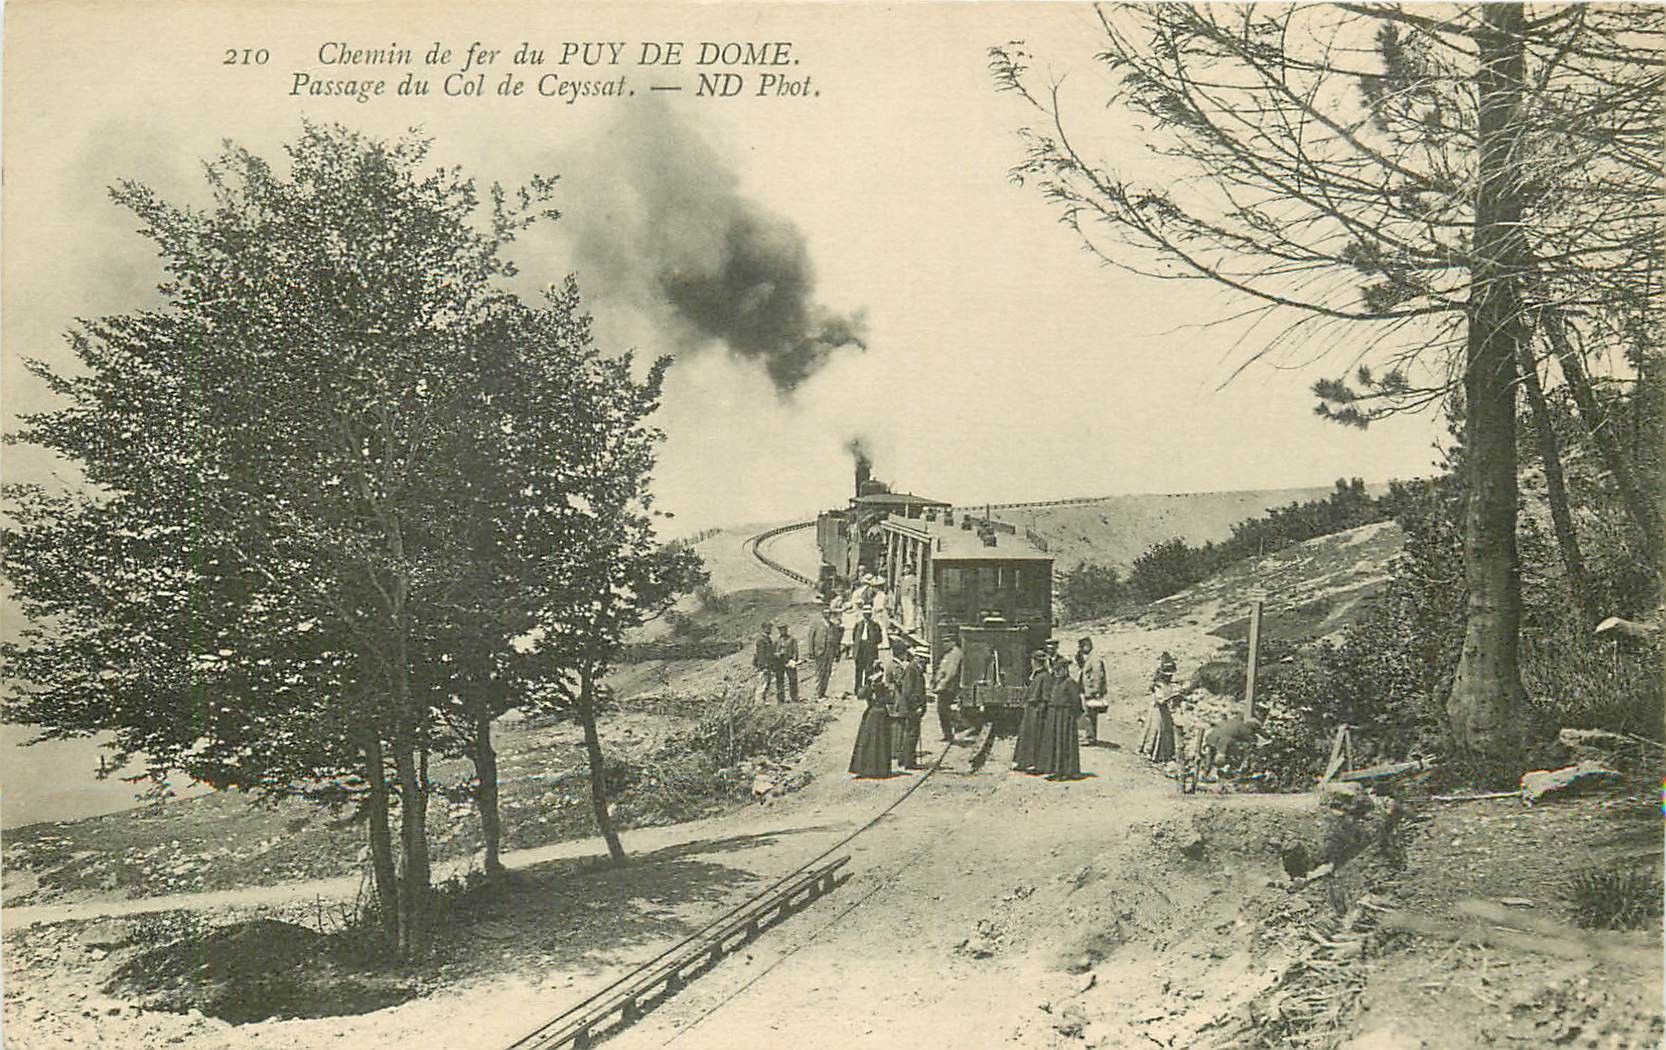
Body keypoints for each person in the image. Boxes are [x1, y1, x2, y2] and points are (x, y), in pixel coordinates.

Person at [1040, 654, 1084, 780]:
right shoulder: (1055, 682)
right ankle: (1055, 769)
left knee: (1064, 742)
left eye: (1061, 670)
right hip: (1054, 716)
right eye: (1057, 670)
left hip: (1065, 717)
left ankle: (1066, 771)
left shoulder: (1070, 683)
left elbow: (1076, 701)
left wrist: (1072, 715)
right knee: (1054, 742)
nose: (1059, 672)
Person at [848, 657, 894, 778]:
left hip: (874, 714)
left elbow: (862, 695)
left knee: (871, 741)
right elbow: (889, 699)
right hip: (878, 714)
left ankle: (870, 768)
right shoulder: (876, 686)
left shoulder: (877, 686)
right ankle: (877, 769)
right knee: (876, 741)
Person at [1012, 648, 1052, 772]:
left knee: (1034, 738)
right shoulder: (1037, 675)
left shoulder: (1044, 676)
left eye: (1032, 660)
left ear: (1035, 662)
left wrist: (1040, 710)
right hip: (1031, 711)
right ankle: (1023, 762)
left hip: (1036, 712)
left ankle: (1033, 764)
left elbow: (1045, 696)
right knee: (1026, 737)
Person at [892, 645, 928, 769]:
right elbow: (908, 691)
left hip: (911, 708)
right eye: (923, 659)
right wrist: (916, 706)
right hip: (911, 708)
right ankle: (909, 762)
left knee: (910, 733)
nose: (924, 662)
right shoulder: (912, 669)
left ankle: (903, 759)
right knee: (912, 734)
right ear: (917, 658)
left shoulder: (914, 668)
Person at [1071, 637, 1110, 745]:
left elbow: (1098, 675)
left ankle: (1090, 737)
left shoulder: (1094, 658)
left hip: (1091, 691)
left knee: (1089, 714)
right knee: (1089, 714)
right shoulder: (1090, 657)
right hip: (1088, 689)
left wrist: (1096, 691)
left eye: (1081, 647)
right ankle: (1090, 736)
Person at [932, 633, 965, 743]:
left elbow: (951, 673)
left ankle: (963, 724)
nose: (944, 644)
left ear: (953, 642)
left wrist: (941, 685)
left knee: (944, 710)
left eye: (946, 641)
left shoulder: (956, 654)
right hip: (944, 686)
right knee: (942, 710)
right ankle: (948, 735)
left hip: (948, 687)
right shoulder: (949, 653)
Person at [807, 604, 843, 699]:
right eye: (826, 613)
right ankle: (817, 693)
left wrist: (837, 651)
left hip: (830, 651)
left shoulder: (833, 626)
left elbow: (836, 640)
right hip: (819, 651)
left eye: (829, 613)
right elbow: (811, 638)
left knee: (827, 672)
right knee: (819, 672)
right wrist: (811, 651)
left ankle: (823, 692)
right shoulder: (816, 624)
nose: (828, 614)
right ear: (823, 614)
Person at [1138, 683, 1177, 764]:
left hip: (1165, 711)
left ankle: (1165, 755)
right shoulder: (1158, 686)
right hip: (1157, 711)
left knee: (1166, 730)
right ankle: (1150, 751)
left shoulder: (1170, 686)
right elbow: (1160, 701)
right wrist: (1169, 698)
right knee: (1156, 729)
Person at [850, 605, 884, 693]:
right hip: (860, 649)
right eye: (865, 614)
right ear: (863, 614)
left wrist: (871, 643)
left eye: (868, 614)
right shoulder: (858, 625)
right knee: (859, 671)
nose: (867, 616)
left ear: (871, 614)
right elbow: (854, 637)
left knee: (869, 670)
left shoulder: (875, 626)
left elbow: (879, 639)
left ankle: (866, 690)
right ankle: (857, 689)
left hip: (870, 650)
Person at [773, 623, 801, 703]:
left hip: (789, 661)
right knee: (779, 680)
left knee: (793, 680)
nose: (782, 631)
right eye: (781, 630)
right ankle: (781, 699)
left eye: (784, 629)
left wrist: (793, 660)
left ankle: (794, 697)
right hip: (779, 663)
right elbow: (773, 651)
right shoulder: (776, 641)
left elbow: (795, 651)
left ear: (786, 629)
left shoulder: (792, 639)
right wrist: (777, 655)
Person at [752, 623, 777, 703]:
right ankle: (759, 703)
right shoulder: (761, 640)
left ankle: (763, 701)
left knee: (767, 684)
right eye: (767, 628)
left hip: (768, 665)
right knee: (762, 684)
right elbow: (761, 654)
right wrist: (764, 666)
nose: (769, 630)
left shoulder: (767, 639)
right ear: (763, 629)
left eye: (770, 628)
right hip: (764, 666)